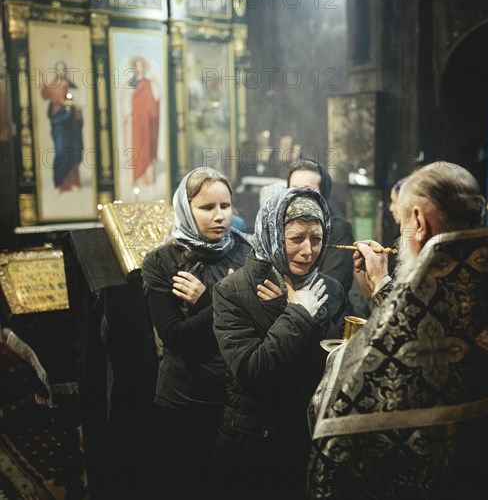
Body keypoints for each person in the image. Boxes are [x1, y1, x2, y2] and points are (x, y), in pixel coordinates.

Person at [307, 162, 488, 499]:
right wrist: (382, 286)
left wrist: (341, 355)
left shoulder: (419, 320)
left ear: (417, 220)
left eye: (402, 224)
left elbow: (332, 415)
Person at [210, 187, 347, 499]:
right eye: (296, 238)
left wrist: (294, 313)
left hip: (308, 441)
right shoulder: (232, 290)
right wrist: (296, 313)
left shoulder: (331, 290)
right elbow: (251, 369)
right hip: (252, 444)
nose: (308, 250)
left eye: (317, 238)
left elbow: (330, 368)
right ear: (272, 234)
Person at [141, 167, 252, 499]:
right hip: (184, 399)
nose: (220, 216)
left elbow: (260, 330)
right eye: (207, 208)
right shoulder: (162, 261)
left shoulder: (247, 253)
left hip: (238, 398)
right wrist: (227, 301)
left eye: (225, 206)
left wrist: (209, 298)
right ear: (186, 209)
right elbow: (176, 337)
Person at [288, 159, 355, 294]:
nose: (299, 195)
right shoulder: (282, 224)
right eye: (294, 188)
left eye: (307, 189)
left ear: (323, 192)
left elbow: (332, 286)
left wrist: (290, 294)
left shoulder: (338, 229)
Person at [40, 64, 84, 193]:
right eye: (58, 69)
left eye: (63, 69)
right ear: (56, 71)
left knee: (72, 149)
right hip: (58, 122)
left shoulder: (72, 85)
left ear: (66, 70)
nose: (61, 71)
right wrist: (42, 82)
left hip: (70, 122)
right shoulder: (52, 84)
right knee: (60, 151)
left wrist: (77, 111)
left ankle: (74, 182)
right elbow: (45, 95)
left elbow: (76, 101)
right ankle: (59, 183)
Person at [121, 55, 160, 187]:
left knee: (146, 146)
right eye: (137, 66)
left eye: (141, 66)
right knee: (136, 146)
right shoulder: (130, 83)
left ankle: (147, 176)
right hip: (135, 121)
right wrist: (128, 114)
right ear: (134, 68)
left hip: (146, 121)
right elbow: (126, 101)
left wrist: (156, 83)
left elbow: (156, 99)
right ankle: (137, 176)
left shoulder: (149, 83)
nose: (139, 68)